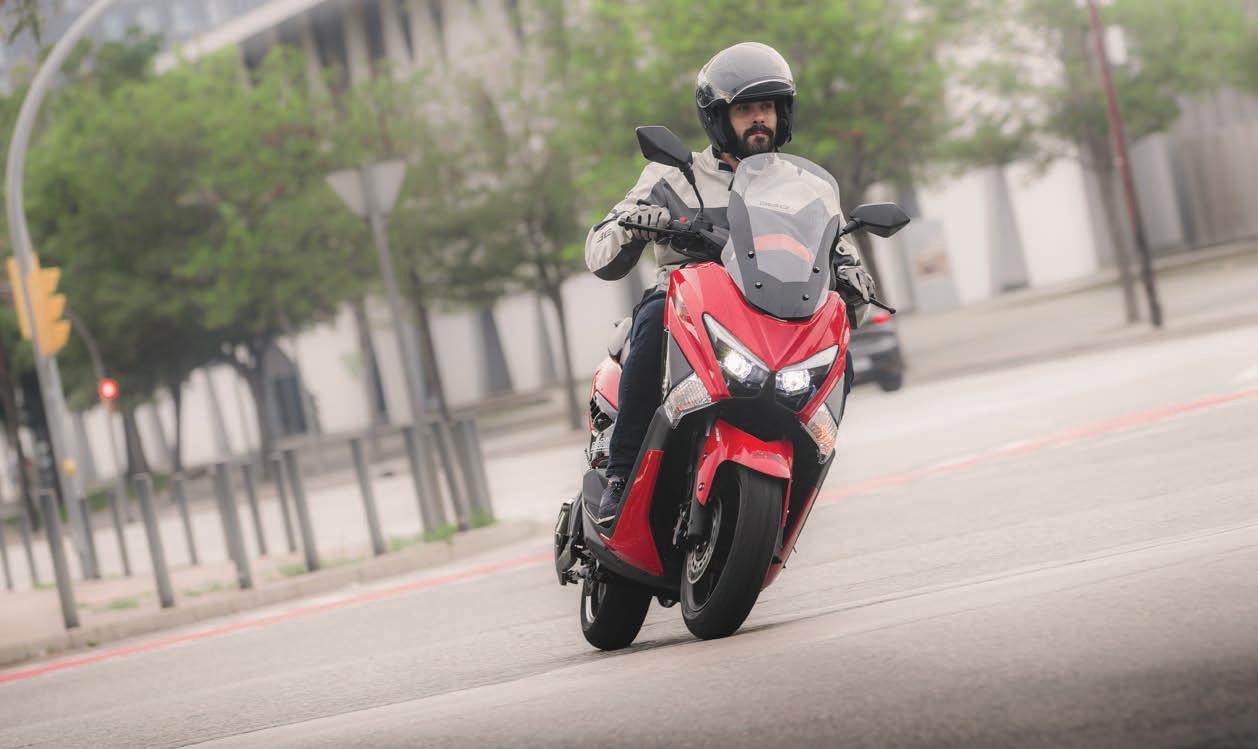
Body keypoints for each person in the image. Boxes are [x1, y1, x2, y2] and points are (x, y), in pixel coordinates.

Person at [583, 42, 874, 524]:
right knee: (654, 316)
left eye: (767, 107)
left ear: (783, 113)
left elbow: (840, 256)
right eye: (744, 109)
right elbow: (600, 250)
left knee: (838, 345)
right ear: (718, 118)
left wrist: (854, 279)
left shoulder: (809, 189)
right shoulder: (674, 176)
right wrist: (633, 226)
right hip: (689, 312)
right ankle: (620, 472)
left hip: (772, 321)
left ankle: (807, 460)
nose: (759, 119)